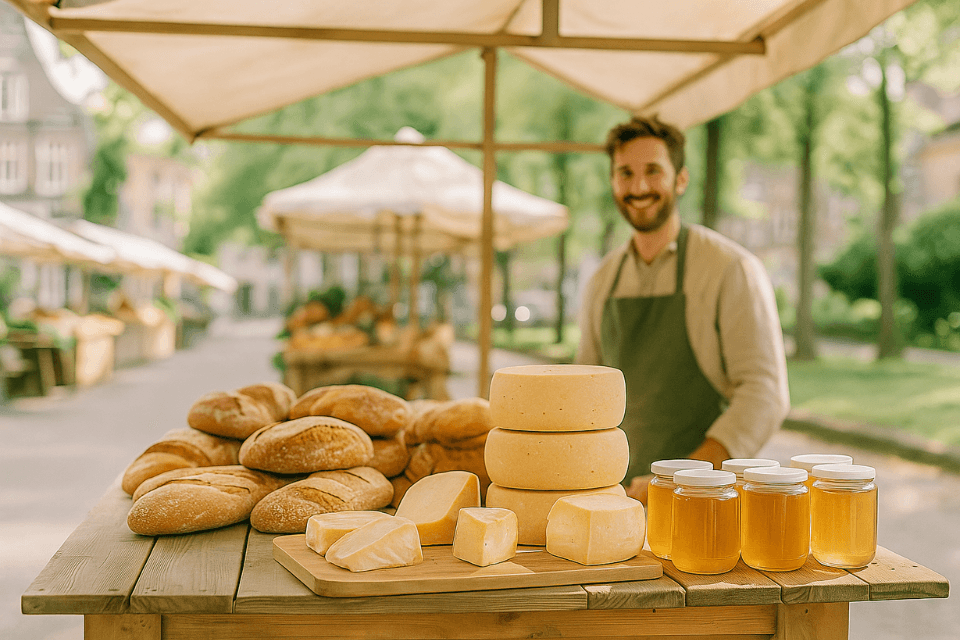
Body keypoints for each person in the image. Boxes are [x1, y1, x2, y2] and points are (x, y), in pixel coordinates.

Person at [576, 115, 790, 503]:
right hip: (617, 500)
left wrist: (685, 477)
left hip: (707, 499)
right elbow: (585, 396)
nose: (639, 187)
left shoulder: (730, 269)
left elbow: (764, 393)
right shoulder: (600, 282)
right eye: (625, 173)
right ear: (612, 182)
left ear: (681, 179)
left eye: (653, 171)